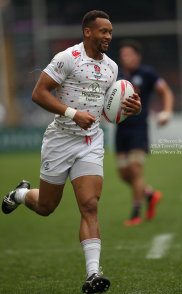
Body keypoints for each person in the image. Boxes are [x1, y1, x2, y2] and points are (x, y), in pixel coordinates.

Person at [2, 11, 141, 294]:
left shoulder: (112, 68)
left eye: (110, 32)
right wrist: (72, 113)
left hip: (90, 141)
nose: (108, 37)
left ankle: (93, 274)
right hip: (60, 140)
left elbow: (107, 107)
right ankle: (19, 194)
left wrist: (131, 109)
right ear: (88, 32)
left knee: (89, 204)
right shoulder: (68, 58)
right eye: (103, 31)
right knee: (46, 208)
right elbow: (39, 92)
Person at [116, 39, 174, 226]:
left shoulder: (147, 73)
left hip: (139, 129)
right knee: (124, 174)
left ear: (137, 56)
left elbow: (166, 91)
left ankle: (135, 213)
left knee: (135, 169)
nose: (126, 58)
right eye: (123, 54)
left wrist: (167, 111)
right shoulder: (116, 76)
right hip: (121, 130)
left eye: (129, 54)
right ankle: (150, 194)